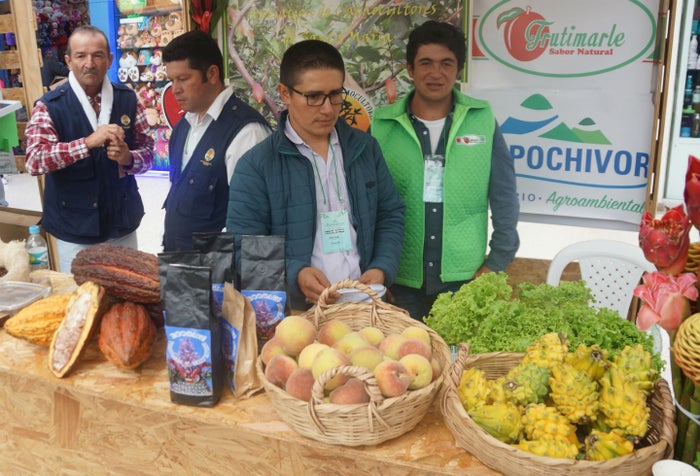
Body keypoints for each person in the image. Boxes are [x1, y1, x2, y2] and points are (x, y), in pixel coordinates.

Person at [227, 39, 405, 310]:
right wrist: (295, 274)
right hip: (300, 313)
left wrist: (382, 266)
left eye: (335, 94)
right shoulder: (257, 165)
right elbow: (245, 248)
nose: (328, 108)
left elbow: (390, 214)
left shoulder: (365, 148)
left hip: (365, 305)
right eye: (313, 97)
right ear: (285, 94)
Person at [371, 21, 520, 320]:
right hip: (399, 282)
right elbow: (365, 207)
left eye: (446, 63)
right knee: (402, 352)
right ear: (410, 69)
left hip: (464, 281)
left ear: (459, 70)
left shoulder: (482, 120)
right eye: (426, 63)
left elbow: (505, 198)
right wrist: (377, 270)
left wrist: (495, 264)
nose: (436, 73)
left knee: (458, 353)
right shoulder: (381, 125)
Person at [25, 25, 154, 273]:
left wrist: (128, 157)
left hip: (121, 222)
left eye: (97, 55)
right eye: (81, 56)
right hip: (74, 226)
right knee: (79, 292)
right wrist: (86, 143)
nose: (89, 63)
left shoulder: (127, 98)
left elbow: (148, 152)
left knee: (127, 289)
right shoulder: (50, 105)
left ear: (110, 60)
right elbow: (35, 159)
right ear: (68, 61)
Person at [161, 30, 271, 251]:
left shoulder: (247, 132)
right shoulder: (184, 125)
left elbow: (256, 223)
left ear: (212, 74)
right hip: (178, 259)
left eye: (183, 79)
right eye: (171, 80)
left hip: (219, 266)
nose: (175, 90)